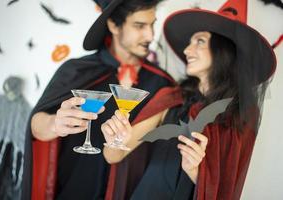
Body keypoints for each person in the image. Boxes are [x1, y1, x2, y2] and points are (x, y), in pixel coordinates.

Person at [101, 9, 277, 199]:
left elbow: (226, 190)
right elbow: (114, 156)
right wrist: (114, 139)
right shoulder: (171, 98)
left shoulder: (243, 114)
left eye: (199, 41)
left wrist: (195, 171)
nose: (186, 51)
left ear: (223, 49)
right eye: (189, 43)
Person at [21, 0, 181, 199]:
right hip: (73, 191)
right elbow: (36, 126)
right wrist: (55, 123)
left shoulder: (162, 83)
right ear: (114, 25)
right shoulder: (77, 70)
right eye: (139, 26)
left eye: (152, 25)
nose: (150, 35)